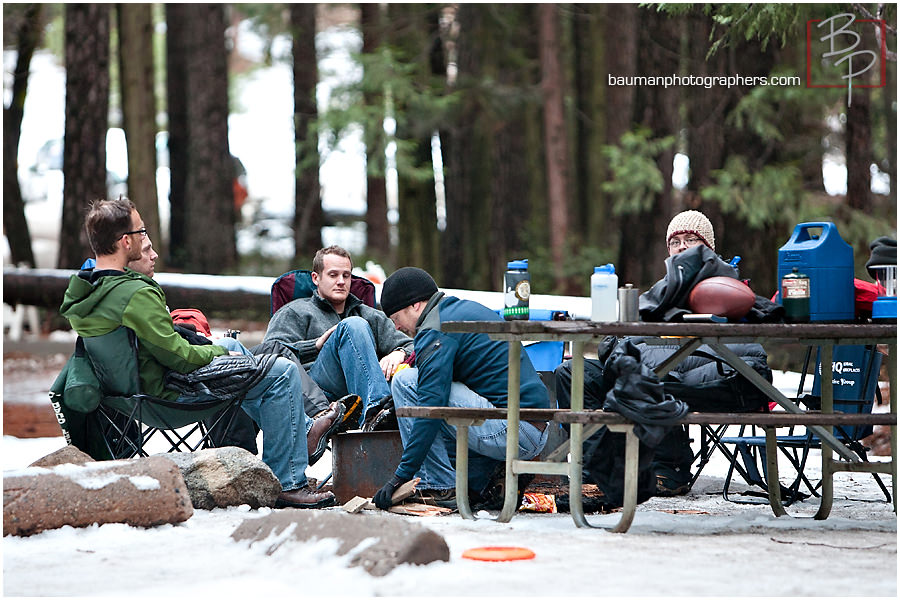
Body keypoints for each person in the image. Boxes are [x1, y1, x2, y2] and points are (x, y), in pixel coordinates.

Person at [59, 197, 340, 508]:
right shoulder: (134, 293)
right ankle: (287, 483)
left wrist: (223, 350)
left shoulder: (86, 290)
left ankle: (299, 433)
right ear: (126, 242)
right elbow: (176, 356)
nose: (144, 237)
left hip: (128, 394)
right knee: (280, 372)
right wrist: (216, 351)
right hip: (170, 395)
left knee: (235, 348)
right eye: (141, 231)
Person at [555, 210, 772, 497]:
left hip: (724, 378)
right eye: (675, 241)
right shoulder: (664, 292)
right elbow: (624, 339)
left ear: (709, 248)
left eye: (691, 240)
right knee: (573, 373)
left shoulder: (727, 289)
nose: (682, 246)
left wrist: (634, 355)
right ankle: (595, 471)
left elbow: (739, 351)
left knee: (654, 378)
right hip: (663, 372)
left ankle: (669, 467)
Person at [372, 267, 550, 510]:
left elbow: (430, 408)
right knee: (423, 387)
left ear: (415, 306)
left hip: (515, 430)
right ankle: (483, 481)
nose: (397, 328)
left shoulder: (435, 329)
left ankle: (437, 486)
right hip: (532, 426)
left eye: (395, 319)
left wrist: (401, 476)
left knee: (406, 383)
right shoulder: (455, 311)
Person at [261, 245, 414, 428]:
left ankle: (383, 414)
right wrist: (315, 346)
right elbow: (269, 356)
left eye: (346, 275)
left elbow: (416, 346)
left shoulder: (370, 315)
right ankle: (377, 412)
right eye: (333, 275)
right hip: (317, 395)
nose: (341, 281)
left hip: (361, 390)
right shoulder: (295, 311)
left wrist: (400, 352)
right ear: (316, 278)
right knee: (353, 324)